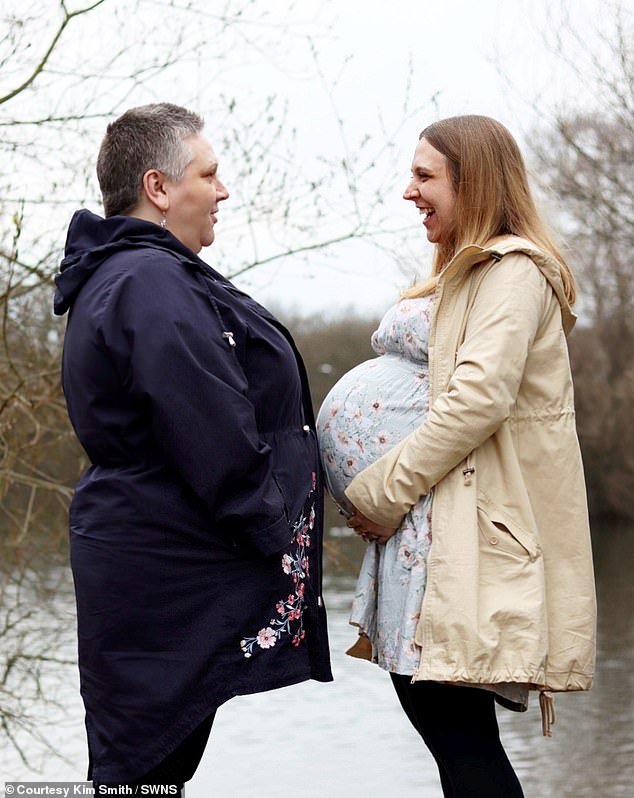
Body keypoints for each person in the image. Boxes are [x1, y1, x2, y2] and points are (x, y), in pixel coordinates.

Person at [54, 103, 332, 794]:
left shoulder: (136, 274)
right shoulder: (147, 281)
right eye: (209, 174)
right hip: (166, 578)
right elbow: (211, 429)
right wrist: (277, 533)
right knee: (145, 777)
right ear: (158, 187)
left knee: (147, 776)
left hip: (155, 566)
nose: (223, 189)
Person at [317, 115, 596, 798]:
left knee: (456, 730)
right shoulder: (468, 271)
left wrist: (380, 494)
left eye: (424, 175)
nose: (409, 192)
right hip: (427, 536)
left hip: (461, 538)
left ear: (471, 181)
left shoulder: (516, 271)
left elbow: (479, 399)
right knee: (448, 727)